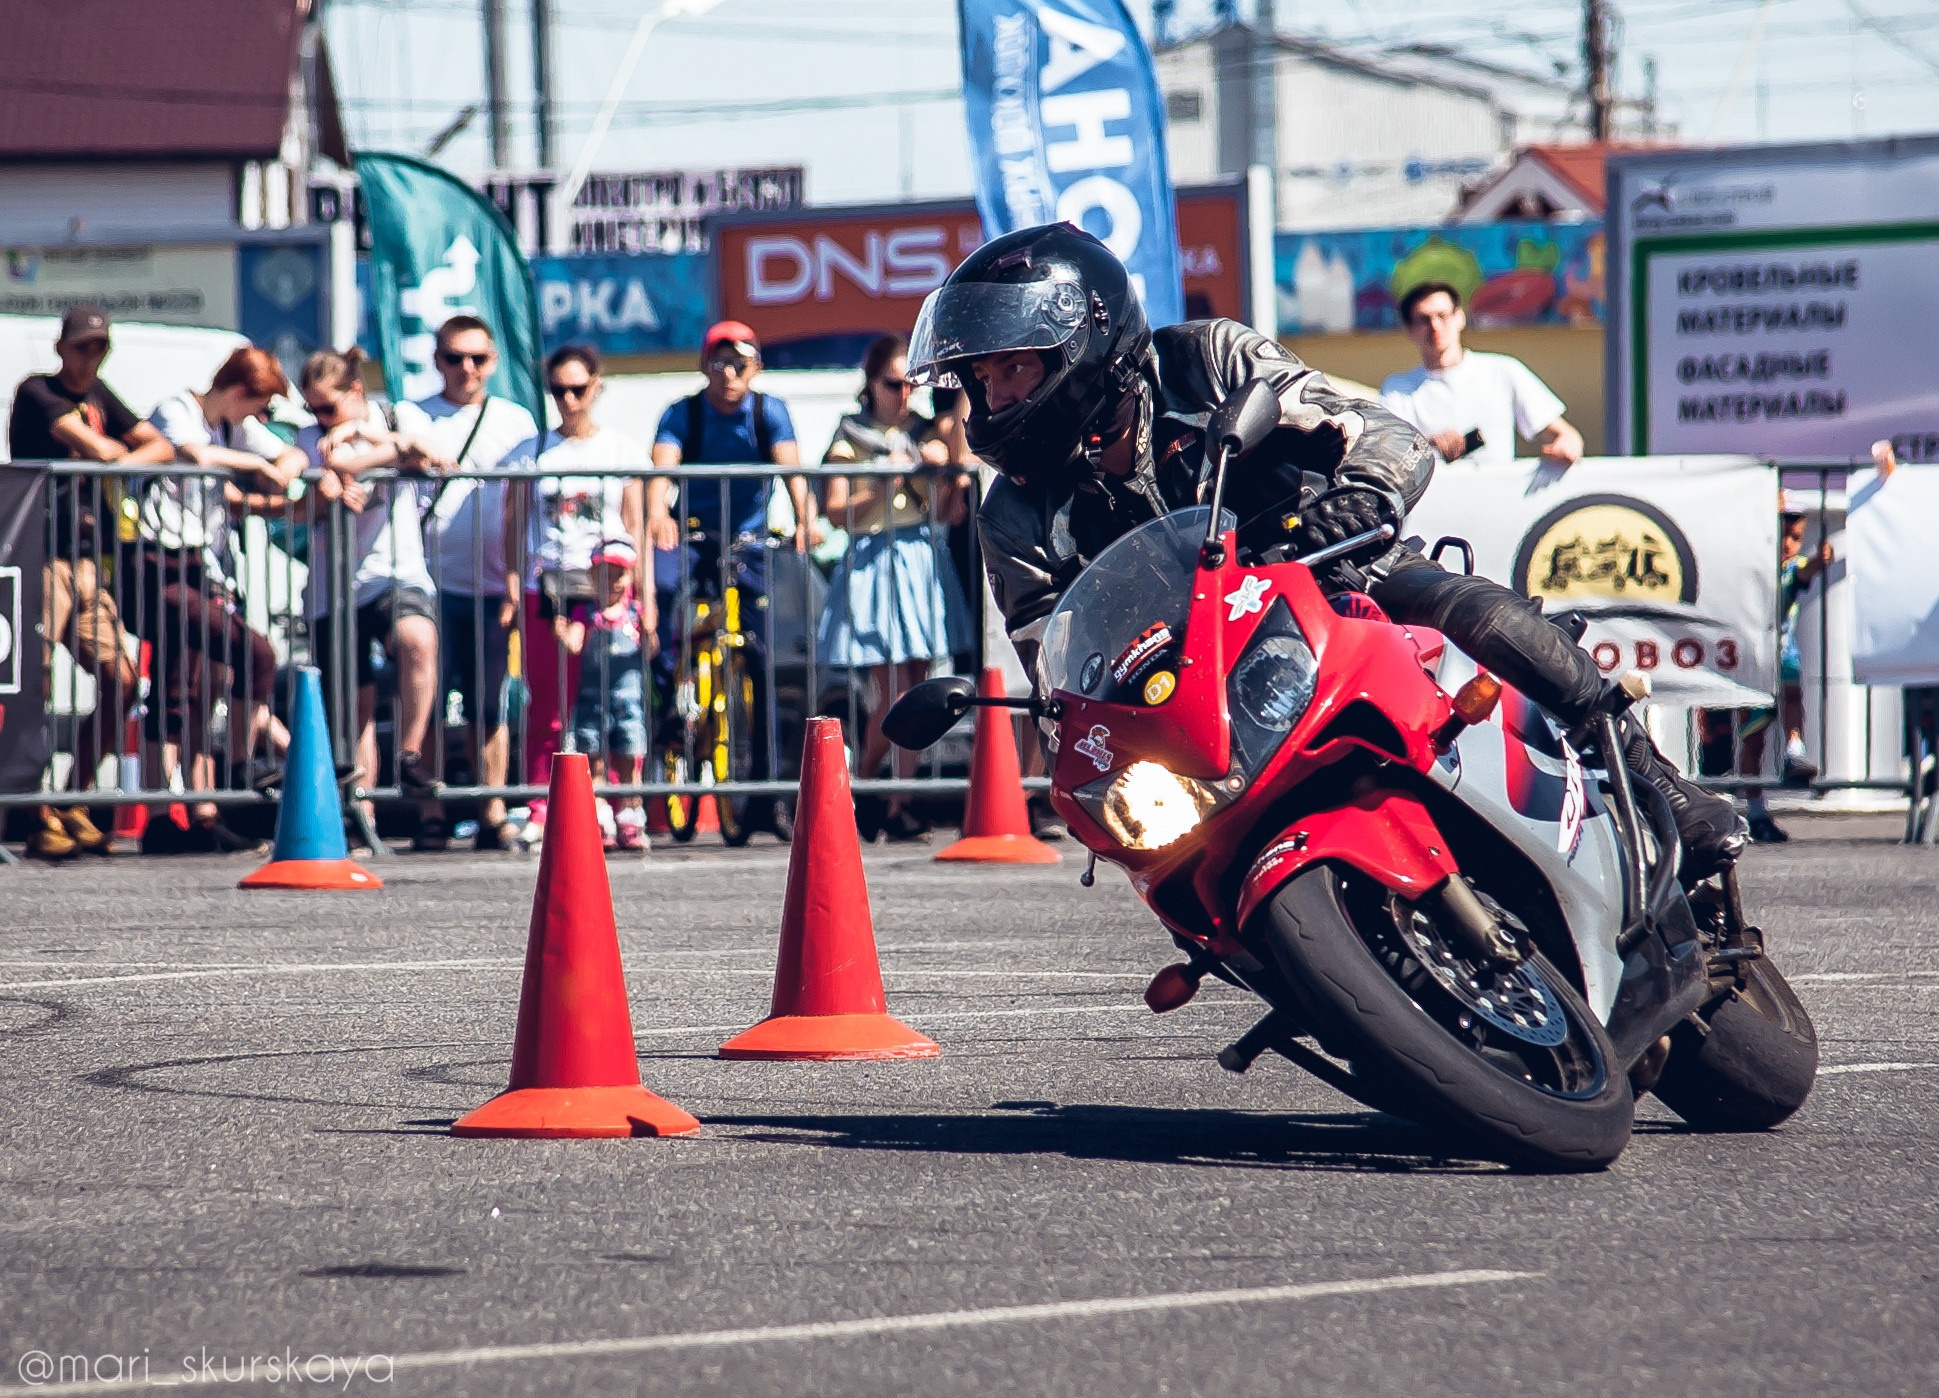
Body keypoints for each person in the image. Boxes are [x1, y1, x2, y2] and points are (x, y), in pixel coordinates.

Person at [907, 223, 1745, 877]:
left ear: (1081, 342)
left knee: (1472, 611)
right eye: (982, 379)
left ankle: (1651, 780)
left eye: (1013, 369)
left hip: (1337, 576)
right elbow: (1048, 651)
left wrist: (1364, 491)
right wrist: (1077, 720)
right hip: (1192, 682)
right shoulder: (1010, 514)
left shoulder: (1206, 361)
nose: (996, 396)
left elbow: (1370, 425)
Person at [6, 305, 172, 860]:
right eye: (82, 347)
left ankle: (74, 796)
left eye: (99, 348)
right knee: (35, 682)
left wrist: (118, 455)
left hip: (86, 563)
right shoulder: (37, 391)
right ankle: (34, 809)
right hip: (41, 556)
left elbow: (161, 447)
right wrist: (116, 455)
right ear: (61, 348)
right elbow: (102, 449)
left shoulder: (102, 395)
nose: (90, 357)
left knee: (122, 678)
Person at [646, 320, 812, 839]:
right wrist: (658, 515)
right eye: (718, 363)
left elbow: (792, 471)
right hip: (693, 535)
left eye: (739, 364)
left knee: (760, 659)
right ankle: (674, 707)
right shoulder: (683, 412)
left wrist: (805, 518)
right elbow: (661, 471)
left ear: (755, 369)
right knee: (668, 611)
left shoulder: (768, 412)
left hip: (748, 541)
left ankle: (767, 792)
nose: (728, 374)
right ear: (703, 366)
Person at [139, 345, 305, 853]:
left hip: (203, 569)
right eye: (258, 406)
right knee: (251, 655)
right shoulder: (179, 410)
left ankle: (193, 814)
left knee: (183, 687)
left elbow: (288, 454)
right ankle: (223, 782)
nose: (261, 418)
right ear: (237, 393)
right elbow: (194, 454)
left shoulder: (233, 426)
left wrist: (283, 467)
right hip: (159, 563)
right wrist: (257, 465)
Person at [817, 334, 971, 842]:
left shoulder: (929, 433)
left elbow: (951, 511)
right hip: (874, 557)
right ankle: (866, 784)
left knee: (918, 688)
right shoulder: (850, 437)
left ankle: (900, 799)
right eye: (892, 384)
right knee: (889, 694)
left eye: (910, 384)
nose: (903, 394)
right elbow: (835, 513)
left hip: (921, 556)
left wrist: (946, 471)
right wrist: (883, 479)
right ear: (871, 384)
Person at [394, 314, 539, 851]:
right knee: (426, 703)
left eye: (477, 358)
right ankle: (430, 810)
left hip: (490, 586)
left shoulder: (516, 421)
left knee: (488, 704)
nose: (466, 369)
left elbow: (527, 507)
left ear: (493, 362)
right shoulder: (414, 416)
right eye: (455, 357)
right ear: (436, 361)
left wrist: (515, 581)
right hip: (426, 583)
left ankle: (491, 809)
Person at [295, 347, 449, 849]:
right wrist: (326, 490)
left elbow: (430, 452)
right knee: (355, 705)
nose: (319, 419)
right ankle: (361, 815)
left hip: (394, 571)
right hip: (333, 588)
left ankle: (408, 755)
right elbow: (299, 505)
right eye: (313, 409)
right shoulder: (307, 438)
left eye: (328, 409)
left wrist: (360, 449)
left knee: (417, 639)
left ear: (356, 394)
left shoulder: (396, 416)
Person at [501, 345, 652, 847]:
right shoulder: (532, 449)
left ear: (597, 387)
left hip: (609, 587)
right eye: (559, 390)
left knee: (612, 701)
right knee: (549, 702)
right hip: (548, 585)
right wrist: (511, 587)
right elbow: (512, 522)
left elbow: (637, 528)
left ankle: (616, 804)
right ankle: (544, 802)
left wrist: (645, 600)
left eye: (578, 389)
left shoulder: (621, 450)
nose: (568, 400)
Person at [1703, 510, 1834, 843]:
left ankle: (1794, 747)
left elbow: (1808, 570)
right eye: (1782, 536)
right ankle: (1756, 809)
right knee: (1753, 737)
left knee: (1793, 693)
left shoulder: (1792, 569)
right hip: (1753, 663)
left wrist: (1821, 559)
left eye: (1795, 537)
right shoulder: (1752, 569)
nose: (1788, 544)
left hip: (1783, 657)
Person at [1380, 281, 1584, 468]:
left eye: (1442, 316)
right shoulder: (1397, 390)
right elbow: (1382, 453)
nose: (1435, 326)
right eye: (1424, 319)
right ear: (1408, 329)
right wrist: (1428, 443)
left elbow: (1565, 435)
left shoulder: (1502, 371)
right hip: (1431, 502)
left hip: (1495, 498)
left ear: (1460, 317)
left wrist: (1567, 445)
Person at [561, 537, 652, 851]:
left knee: (630, 758)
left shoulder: (636, 613)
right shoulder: (586, 614)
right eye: (604, 574)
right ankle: (600, 817)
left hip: (628, 700)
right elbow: (574, 644)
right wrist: (562, 630)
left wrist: (650, 629)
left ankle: (630, 815)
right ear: (592, 576)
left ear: (630, 577)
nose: (611, 582)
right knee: (595, 761)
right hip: (592, 700)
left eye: (619, 574)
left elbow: (650, 649)